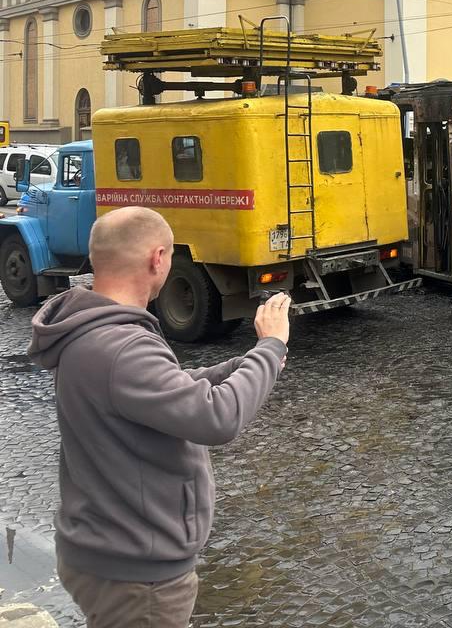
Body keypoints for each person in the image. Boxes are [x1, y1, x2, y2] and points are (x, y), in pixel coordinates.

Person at [26, 207, 289, 627]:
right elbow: (217, 418)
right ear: (159, 258)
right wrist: (271, 347)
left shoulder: (89, 328)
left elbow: (158, 388)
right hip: (137, 575)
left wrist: (241, 365)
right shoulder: (122, 345)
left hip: (101, 551)